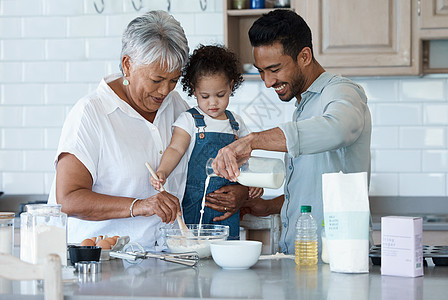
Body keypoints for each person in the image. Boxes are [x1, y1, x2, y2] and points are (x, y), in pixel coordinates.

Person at [47, 11, 248, 250]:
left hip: (165, 258)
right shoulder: (91, 114)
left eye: (173, 80)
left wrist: (241, 193)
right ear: (127, 65)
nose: (165, 90)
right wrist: (140, 205)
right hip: (104, 262)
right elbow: (68, 200)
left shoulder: (178, 108)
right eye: (156, 80)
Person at [210, 10, 372, 254]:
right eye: (261, 70)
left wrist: (252, 141)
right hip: (302, 258)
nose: (267, 81)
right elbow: (314, 190)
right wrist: (271, 206)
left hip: (338, 258)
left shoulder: (341, 92)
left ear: (304, 56)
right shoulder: (303, 106)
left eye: (274, 69)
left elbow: (337, 128)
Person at [150, 45, 263, 240]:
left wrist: (254, 182)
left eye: (220, 95)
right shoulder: (189, 120)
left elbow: (246, 159)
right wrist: (163, 172)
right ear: (194, 90)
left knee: (226, 251)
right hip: (195, 205)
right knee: (197, 251)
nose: (213, 103)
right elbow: (176, 149)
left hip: (228, 208)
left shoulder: (235, 123)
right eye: (205, 96)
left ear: (231, 86)